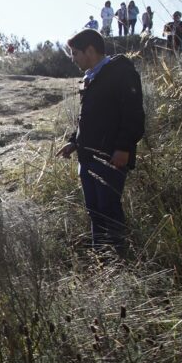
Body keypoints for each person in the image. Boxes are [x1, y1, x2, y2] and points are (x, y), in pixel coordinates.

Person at [56, 28, 145, 254]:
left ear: (90, 50)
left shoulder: (120, 73)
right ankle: (101, 259)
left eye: (75, 53)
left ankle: (118, 260)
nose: (73, 59)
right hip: (87, 158)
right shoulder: (91, 77)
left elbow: (133, 114)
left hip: (109, 158)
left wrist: (124, 148)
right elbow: (88, 119)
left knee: (109, 209)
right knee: (94, 211)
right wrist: (74, 142)